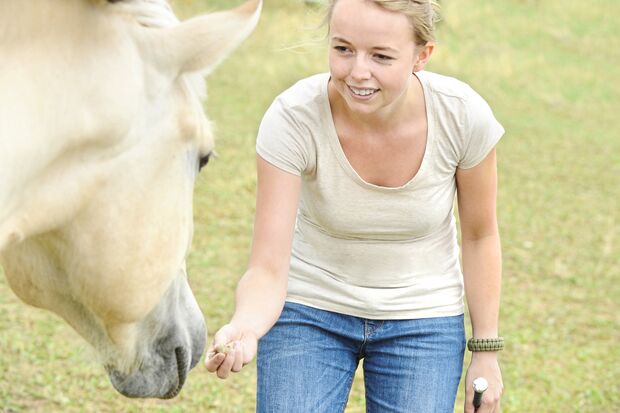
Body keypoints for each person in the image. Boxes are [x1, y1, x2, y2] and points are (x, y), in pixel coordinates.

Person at [204, 0, 505, 412]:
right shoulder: (293, 118)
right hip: (309, 308)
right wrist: (245, 327)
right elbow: (268, 267)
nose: (357, 71)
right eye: (343, 49)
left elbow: (479, 234)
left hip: (423, 316)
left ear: (422, 55)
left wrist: (485, 350)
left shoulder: (463, 116)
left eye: (381, 56)